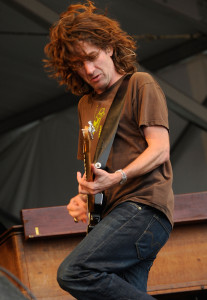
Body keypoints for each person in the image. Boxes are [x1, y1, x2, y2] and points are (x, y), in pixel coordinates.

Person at [44, 1, 174, 299]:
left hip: (144, 210)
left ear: (110, 48)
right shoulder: (85, 104)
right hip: (114, 213)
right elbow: (97, 168)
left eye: (92, 57)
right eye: (78, 63)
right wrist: (82, 198)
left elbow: (161, 149)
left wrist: (118, 178)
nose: (88, 69)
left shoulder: (140, 84)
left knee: (73, 272)